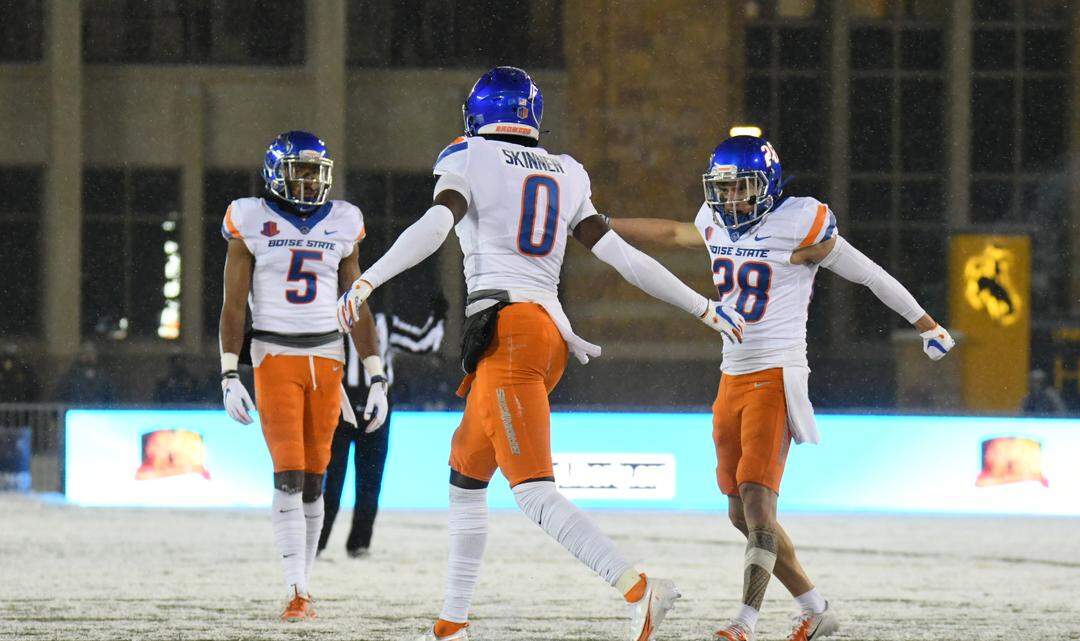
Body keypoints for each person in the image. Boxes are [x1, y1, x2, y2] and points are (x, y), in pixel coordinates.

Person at [337, 66, 747, 641]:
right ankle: (452, 619)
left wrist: (369, 279)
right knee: (465, 470)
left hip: (510, 332)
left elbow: (435, 225)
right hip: (543, 331)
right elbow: (623, 258)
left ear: (477, 116)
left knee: (531, 490)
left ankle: (639, 587)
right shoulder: (567, 171)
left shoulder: (468, 155)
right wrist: (702, 306)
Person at [609, 134, 957, 641]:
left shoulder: (799, 221)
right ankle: (815, 608)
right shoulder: (714, 222)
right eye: (722, 190)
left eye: (740, 189)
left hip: (776, 374)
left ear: (766, 187)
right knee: (739, 512)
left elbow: (869, 274)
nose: (730, 201)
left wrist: (926, 323)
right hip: (731, 374)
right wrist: (596, 224)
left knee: (756, 503)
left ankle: (744, 621)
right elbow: (669, 232)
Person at [217, 130, 388, 622]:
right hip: (275, 356)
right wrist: (230, 373)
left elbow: (356, 303)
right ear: (276, 172)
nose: (311, 179)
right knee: (289, 472)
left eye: (316, 170)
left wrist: (375, 375)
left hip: (329, 359)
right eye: (302, 169)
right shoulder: (251, 218)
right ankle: (297, 588)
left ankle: (304, 582)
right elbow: (232, 307)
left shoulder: (343, 221)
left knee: (316, 479)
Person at [318, 299, 446, 558]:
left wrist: (438, 316)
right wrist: (440, 316)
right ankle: (327, 542)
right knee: (340, 481)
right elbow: (423, 343)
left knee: (359, 482)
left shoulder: (377, 320)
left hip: (371, 407)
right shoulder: (345, 318)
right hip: (341, 406)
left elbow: (423, 343)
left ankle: (351, 543)